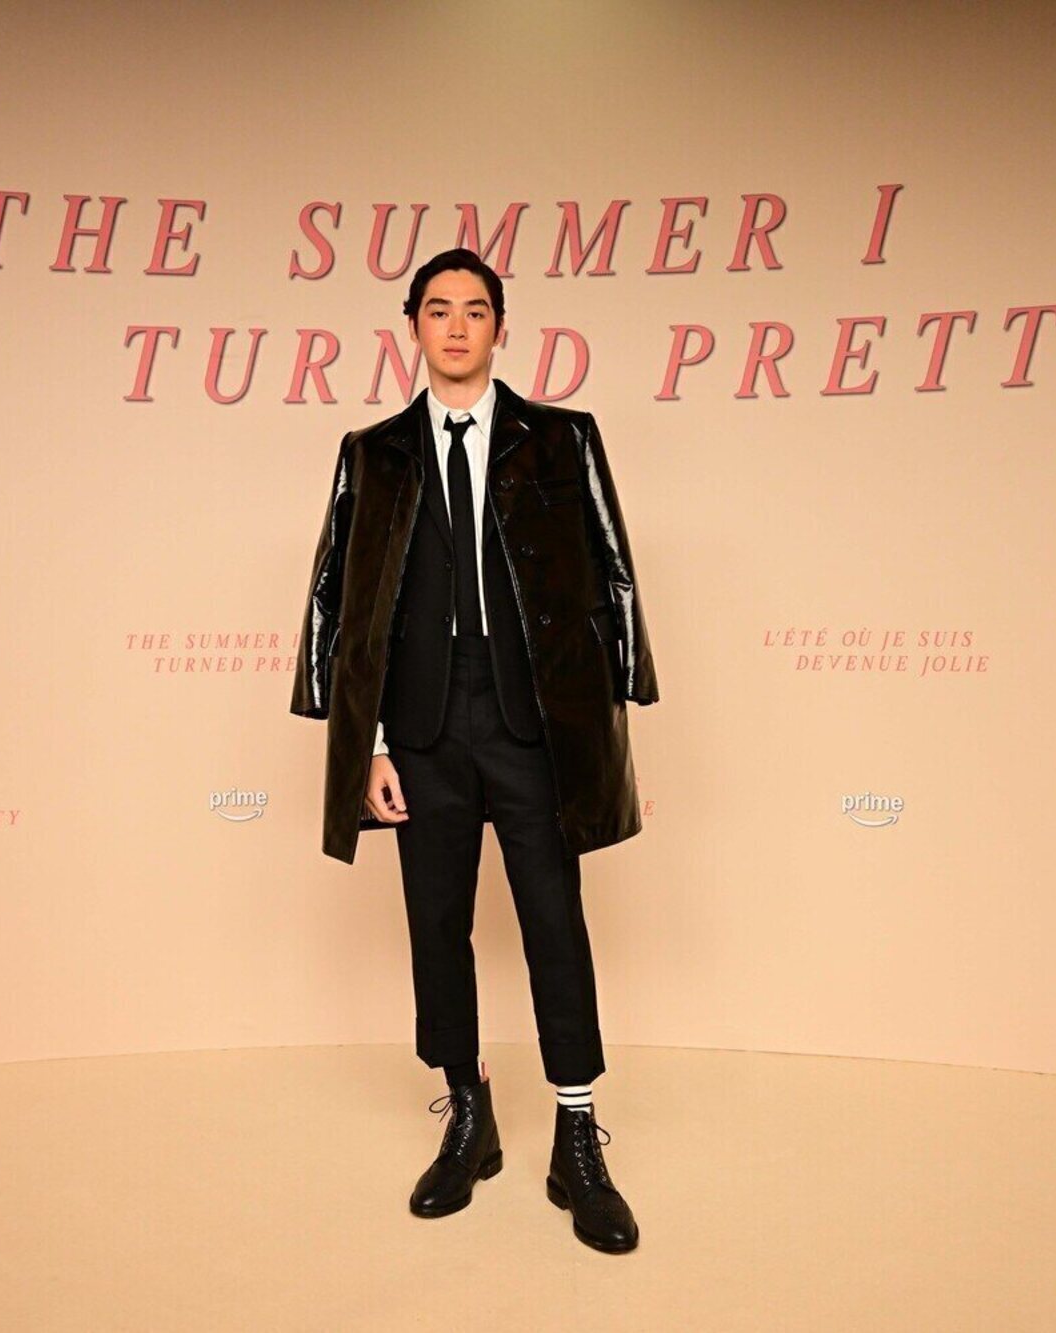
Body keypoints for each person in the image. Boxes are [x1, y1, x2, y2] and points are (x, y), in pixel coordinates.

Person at [289, 247, 659, 1254]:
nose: (456, 326)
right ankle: (468, 1113)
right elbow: (342, 595)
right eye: (439, 310)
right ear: (411, 325)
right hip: (421, 729)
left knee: (554, 922)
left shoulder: (561, 437)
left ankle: (576, 1136)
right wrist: (366, 741)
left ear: (501, 327)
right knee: (436, 925)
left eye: (476, 310)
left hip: (531, 716)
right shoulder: (372, 452)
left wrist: (612, 710)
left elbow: (611, 564)